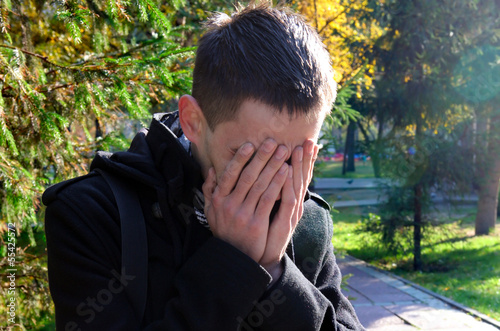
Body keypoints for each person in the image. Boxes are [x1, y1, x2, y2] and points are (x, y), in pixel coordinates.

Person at [43, 2, 365, 330]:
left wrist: (276, 272)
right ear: (194, 121)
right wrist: (233, 261)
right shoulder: (89, 215)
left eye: (296, 157)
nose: (276, 182)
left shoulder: (306, 219)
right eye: (253, 158)